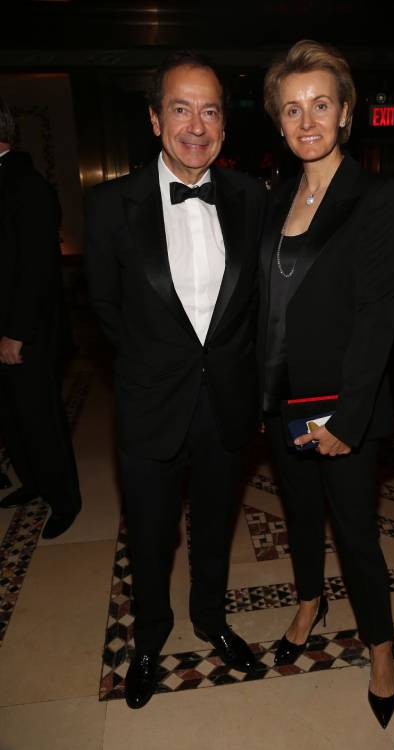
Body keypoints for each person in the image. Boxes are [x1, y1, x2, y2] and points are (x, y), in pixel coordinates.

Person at [85, 52, 267, 709]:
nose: (197, 125)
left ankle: (211, 618)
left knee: (215, 527)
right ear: (156, 119)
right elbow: (104, 307)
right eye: (181, 108)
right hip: (150, 403)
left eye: (210, 110)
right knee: (151, 535)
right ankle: (150, 639)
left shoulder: (252, 197)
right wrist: (156, 362)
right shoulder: (109, 205)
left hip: (226, 402)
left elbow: (260, 307)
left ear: (224, 124)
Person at [259, 40, 394, 729]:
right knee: (298, 514)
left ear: (346, 112)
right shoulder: (275, 198)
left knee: (355, 533)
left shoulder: (376, 198)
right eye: (293, 109)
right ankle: (310, 602)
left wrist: (348, 420)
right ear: (279, 122)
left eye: (321, 104)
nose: (307, 120)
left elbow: (377, 317)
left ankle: (382, 649)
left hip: (342, 407)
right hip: (281, 400)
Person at [0, 96, 81, 539]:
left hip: (25, 331)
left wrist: (16, 334)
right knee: (13, 417)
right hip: (6, 326)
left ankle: (65, 500)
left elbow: (36, 268)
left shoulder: (26, 184)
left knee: (39, 419)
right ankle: (33, 482)